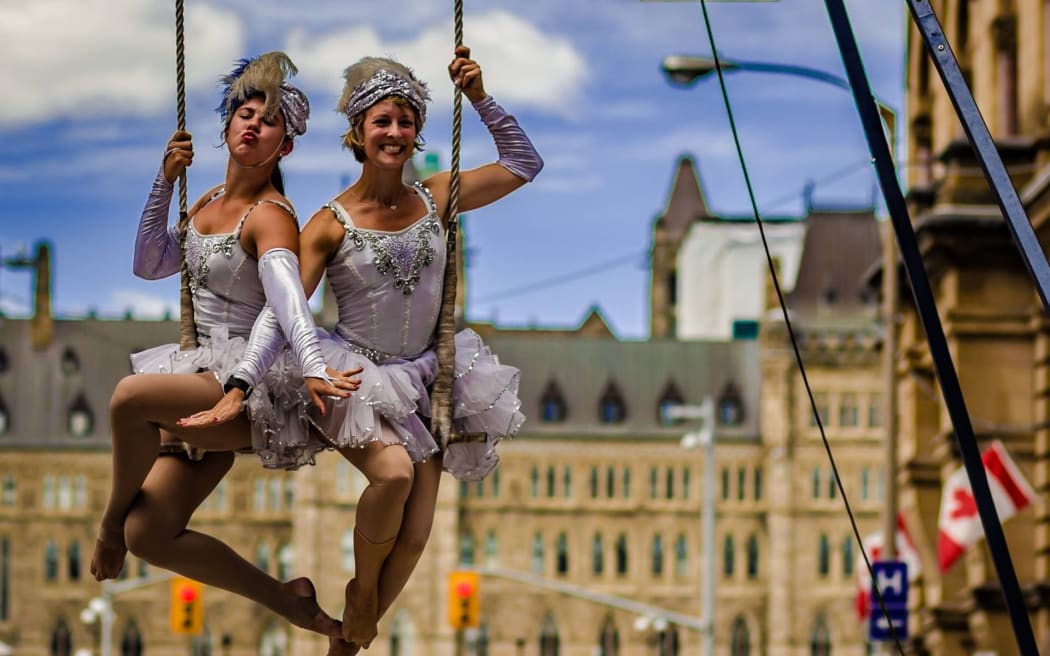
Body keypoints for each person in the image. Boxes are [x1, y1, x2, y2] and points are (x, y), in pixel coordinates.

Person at [187, 45, 543, 651]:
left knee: (418, 533)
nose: (396, 132)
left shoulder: (437, 198)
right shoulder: (327, 223)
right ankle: (360, 602)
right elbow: (284, 309)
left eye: (406, 122)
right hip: (357, 378)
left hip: (428, 375)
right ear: (358, 133)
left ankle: (354, 629)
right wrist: (242, 381)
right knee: (394, 478)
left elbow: (523, 162)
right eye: (382, 121)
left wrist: (479, 96)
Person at [89, 52, 360, 638]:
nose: (252, 123)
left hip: (249, 385)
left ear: (283, 148)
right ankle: (288, 600)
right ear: (227, 124)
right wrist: (164, 181)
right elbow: (150, 263)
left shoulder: (272, 217)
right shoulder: (207, 200)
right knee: (152, 534)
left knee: (129, 398)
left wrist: (312, 364)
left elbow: (289, 303)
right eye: (244, 111)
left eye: (268, 121)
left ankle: (108, 527)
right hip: (199, 372)